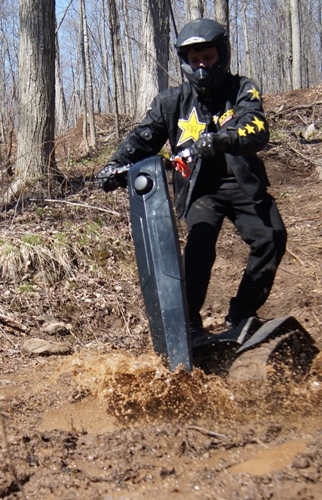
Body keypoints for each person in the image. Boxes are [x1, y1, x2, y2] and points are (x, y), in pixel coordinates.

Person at [96, 18, 287, 339]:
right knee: (200, 244)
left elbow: (257, 127)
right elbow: (143, 138)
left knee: (272, 238)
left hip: (243, 184)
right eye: (194, 60)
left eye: (208, 58)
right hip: (200, 189)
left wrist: (224, 139)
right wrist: (114, 166)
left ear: (221, 55)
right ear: (184, 62)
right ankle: (187, 322)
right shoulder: (171, 102)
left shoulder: (242, 89)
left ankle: (242, 313)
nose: (201, 67)